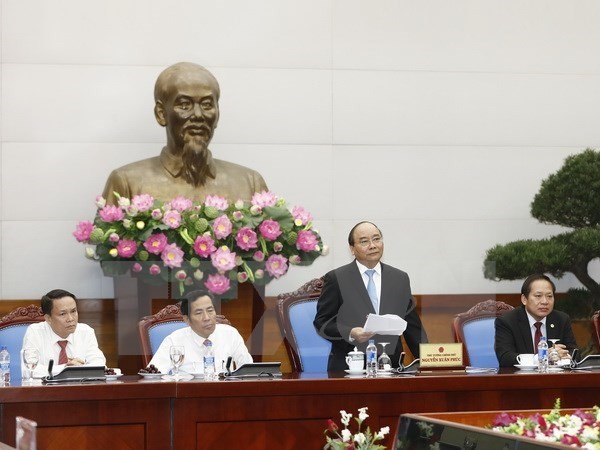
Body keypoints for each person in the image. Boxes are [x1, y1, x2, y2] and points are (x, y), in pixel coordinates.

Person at [102, 62, 268, 205]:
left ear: (218, 114)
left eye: (207, 105)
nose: (198, 115)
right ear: (161, 113)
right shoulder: (126, 182)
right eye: (184, 105)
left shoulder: (250, 183)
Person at [313, 221, 428, 372]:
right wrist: (351, 333)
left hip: (391, 368)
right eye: (364, 241)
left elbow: (412, 327)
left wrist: (428, 361)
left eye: (377, 239)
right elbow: (322, 323)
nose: (373, 245)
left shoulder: (399, 278)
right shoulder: (336, 279)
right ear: (352, 249)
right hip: (350, 367)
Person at [148, 289, 252, 374]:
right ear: (187, 319)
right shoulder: (174, 341)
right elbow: (155, 375)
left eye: (210, 310)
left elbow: (249, 371)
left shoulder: (230, 334)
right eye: (199, 313)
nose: (207, 317)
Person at [494, 274, 578, 368]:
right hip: (521, 379)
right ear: (524, 299)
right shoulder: (507, 321)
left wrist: (564, 356)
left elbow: (575, 353)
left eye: (549, 296)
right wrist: (542, 357)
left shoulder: (561, 319)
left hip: (555, 378)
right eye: (538, 296)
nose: (545, 301)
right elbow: (505, 358)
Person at [22, 289, 106, 378]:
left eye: (73, 311)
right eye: (63, 314)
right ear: (48, 318)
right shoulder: (35, 332)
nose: (71, 319)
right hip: (45, 390)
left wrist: (80, 368)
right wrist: (66, 368)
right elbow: (29, 370)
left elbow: (99, 363)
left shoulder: (85, 331)